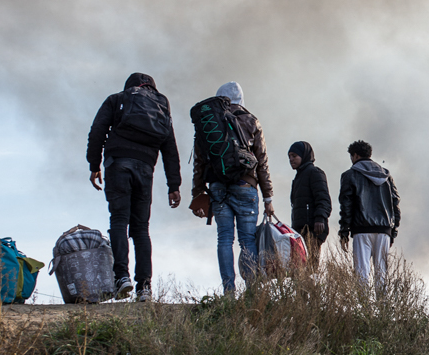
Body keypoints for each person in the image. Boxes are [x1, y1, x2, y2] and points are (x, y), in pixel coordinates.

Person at [86, 72, 181, 302]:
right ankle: (145, 287)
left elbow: (97, 131)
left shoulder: (117, 99)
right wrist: (174, 185)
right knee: (140, 228)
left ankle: (122, 277)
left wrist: (94, 164)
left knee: (119, 220)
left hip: (118, 164)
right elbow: (170, 147)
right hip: (146, 168)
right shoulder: (161, 106)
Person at [191, 82, 275, 293]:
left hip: (218, 188)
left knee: (225, 239)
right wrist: (268, 198)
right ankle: (253, 291)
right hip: (246, 185)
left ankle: (229, 291)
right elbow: (262, 162)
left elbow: (199, 162)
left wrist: (198, 192)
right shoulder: (251, 121)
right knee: (247, 239)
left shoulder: (209, 122)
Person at [338, 140, 401, 286]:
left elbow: (346, 205)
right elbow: (395, 203)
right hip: (384, 230)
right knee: (382, 274)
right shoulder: (386, 176)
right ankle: (383, 307)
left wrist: (344, 231)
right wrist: (393, 231)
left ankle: (364, 308)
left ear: (355, 155)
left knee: (361, 273)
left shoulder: (349, 175)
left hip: (361, 230)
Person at [288, 141, 332, 267]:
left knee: (311, 268)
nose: (291, 159)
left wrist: (320, 218)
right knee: (300, 269)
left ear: (304, 155)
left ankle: (312, 287)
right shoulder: (298, 178)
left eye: (294, 156)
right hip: (299, 231)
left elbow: (323, 199)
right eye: (289, 157)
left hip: (313, 230)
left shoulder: (315, 173)